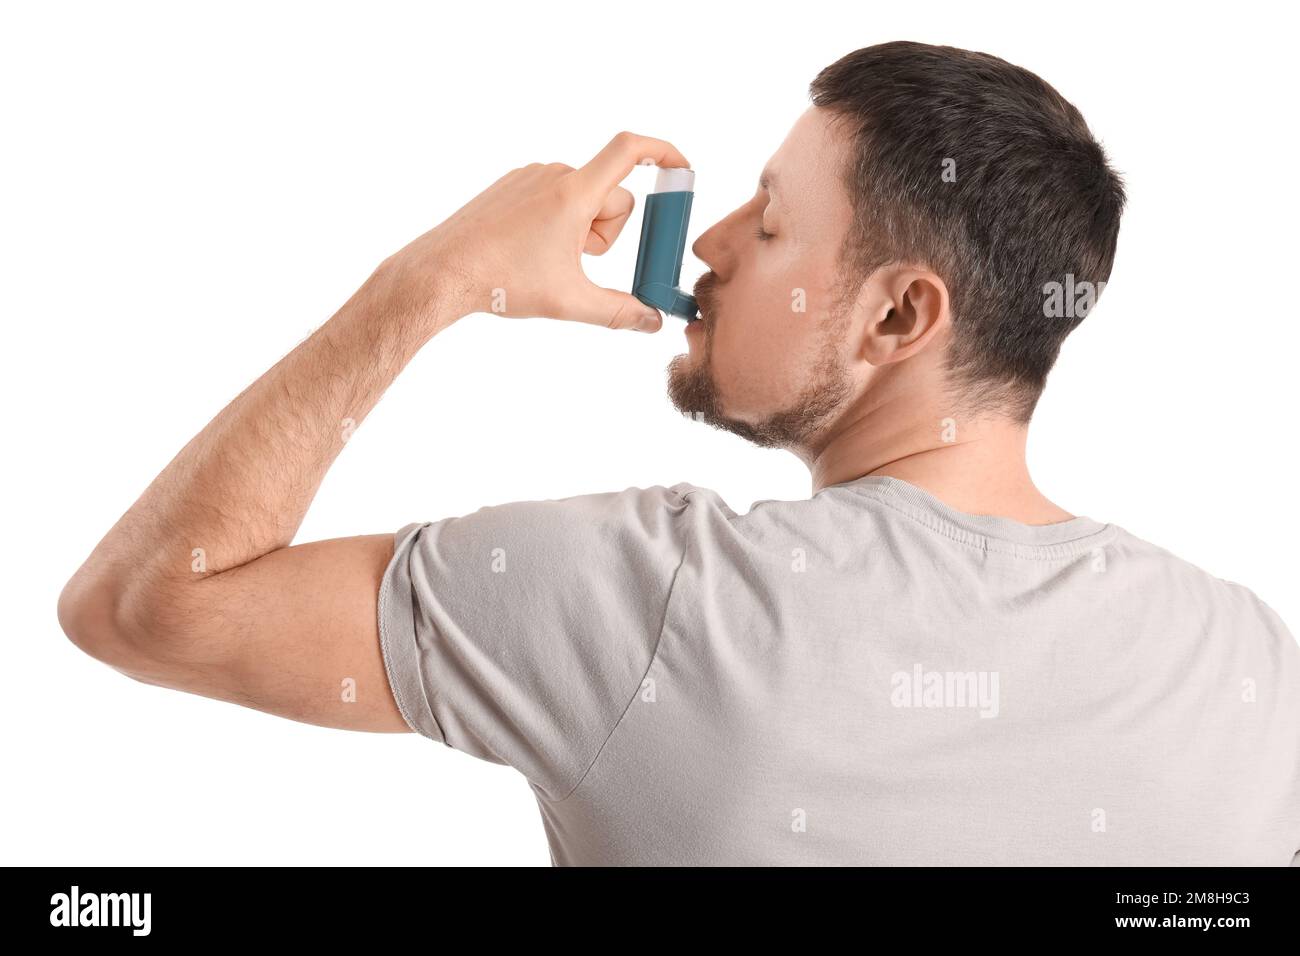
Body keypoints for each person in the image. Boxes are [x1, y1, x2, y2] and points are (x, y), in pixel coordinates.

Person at [57, 41, 1300, 866]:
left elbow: (145, 602)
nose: (706, 241)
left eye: (769, 219)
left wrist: (431, 280)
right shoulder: (1245, 657)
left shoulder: (655, 598)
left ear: (895, 316)